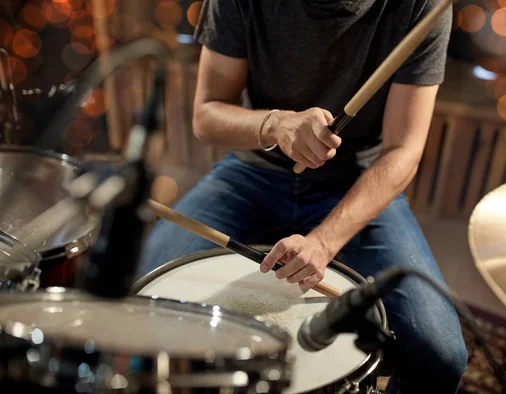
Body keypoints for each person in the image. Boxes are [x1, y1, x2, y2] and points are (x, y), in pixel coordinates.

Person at [138, 0, 467, 392]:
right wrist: (275, 124)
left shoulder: (422, 6)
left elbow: (404, 150)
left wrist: (324, 242)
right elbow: (206, 116)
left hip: (359, 183)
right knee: (142, 304)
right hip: (251, 174)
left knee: (441, 354)